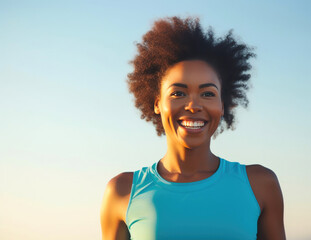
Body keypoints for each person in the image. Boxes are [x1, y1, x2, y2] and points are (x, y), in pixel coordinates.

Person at [100, 16, 286, 240]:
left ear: (222, 105)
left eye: (208, 94)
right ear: (157, 103)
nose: (194, 106)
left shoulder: (260, 185)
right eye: (178, 93)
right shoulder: (123, 191)